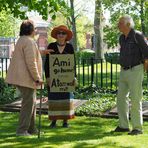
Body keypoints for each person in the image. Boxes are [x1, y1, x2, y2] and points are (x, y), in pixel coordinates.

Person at [5, 20, 43, 136]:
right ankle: (22, 131)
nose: (36, 30)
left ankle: (31, 129)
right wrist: (37, 78)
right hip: (26, 79)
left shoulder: (22, 40)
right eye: (35, 28)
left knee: (32, 103)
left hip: (24, 78)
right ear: (31, 30)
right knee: (28, 105)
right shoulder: (29, 42)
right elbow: (31, 62)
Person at [114, 15, 148, 135]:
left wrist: (146, 66)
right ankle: (123, 126)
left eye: (120, 23)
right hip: (124, 71)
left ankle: (137, 128)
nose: (118, 25)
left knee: (135, 99)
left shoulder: (137, 35)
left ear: (128, 24)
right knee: (121, 99)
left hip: (136, 70)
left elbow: (146, 51)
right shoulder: (121, 38)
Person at [44, 25, 77, 128]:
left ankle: (65, 122)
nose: (61, 35)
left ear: (66, 35)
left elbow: (73, 63)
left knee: (66, 98)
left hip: (66, 78)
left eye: (63, 33)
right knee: (54, 99)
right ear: (56, 35)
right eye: (59, 33)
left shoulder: (70, 47)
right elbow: (47, 63)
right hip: (54, 79)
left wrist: (74, 77)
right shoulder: (51, 46)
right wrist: (48, 77)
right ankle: (53, 121)